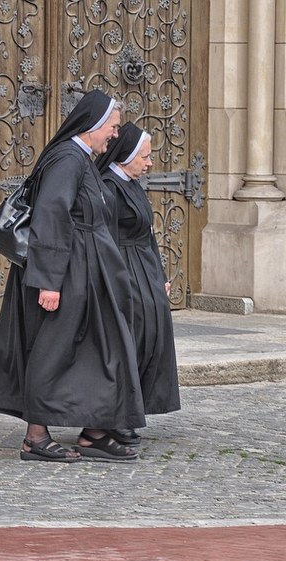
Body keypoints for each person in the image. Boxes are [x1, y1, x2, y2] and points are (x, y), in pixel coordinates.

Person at [0, 90, 144, 462]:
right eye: (113, 128)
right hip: (67, 275)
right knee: (53, 352)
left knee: (100, 351)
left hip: (87, 274)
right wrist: (50, 282)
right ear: (94, 126)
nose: (115, 136)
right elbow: (50, 218)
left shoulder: (82, 159)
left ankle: (94, 430)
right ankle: (35, 437)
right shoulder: (67, 160)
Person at [95, 123, 181, 439]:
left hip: (142, 270)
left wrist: (158, 277)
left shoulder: (131, 184)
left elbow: (146, 237)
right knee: (125, 343)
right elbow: (102, 239)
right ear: (126, 156)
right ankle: (114, 417)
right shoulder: (106, 188)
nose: (150, 163)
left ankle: (132, 409)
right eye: (144, 157)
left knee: (149, 340)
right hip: (121, 271)